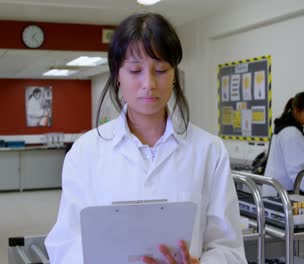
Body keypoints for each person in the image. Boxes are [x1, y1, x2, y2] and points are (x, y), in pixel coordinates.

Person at [45, 13, 247, 264]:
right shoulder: (85, 152)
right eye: (135, 70)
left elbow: (228, 248)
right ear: (117, 75)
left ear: (174, 75)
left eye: (161, 70)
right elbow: (65, 242)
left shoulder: (209, 150)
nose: (148, 83)